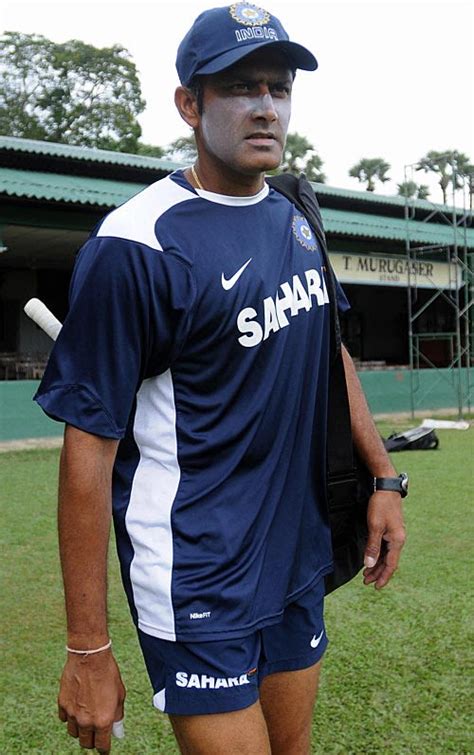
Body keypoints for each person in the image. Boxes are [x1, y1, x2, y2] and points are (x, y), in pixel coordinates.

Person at [35, 3, 406, 753]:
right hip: (196, 572)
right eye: (241, 88)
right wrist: (86, 648)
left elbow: (328, 350)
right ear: (189, 104)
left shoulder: (297, 214)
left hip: (295, 556)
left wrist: (384, 478)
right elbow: (88, 451)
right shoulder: (136, 245)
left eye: (278, 87)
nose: (266, 106)